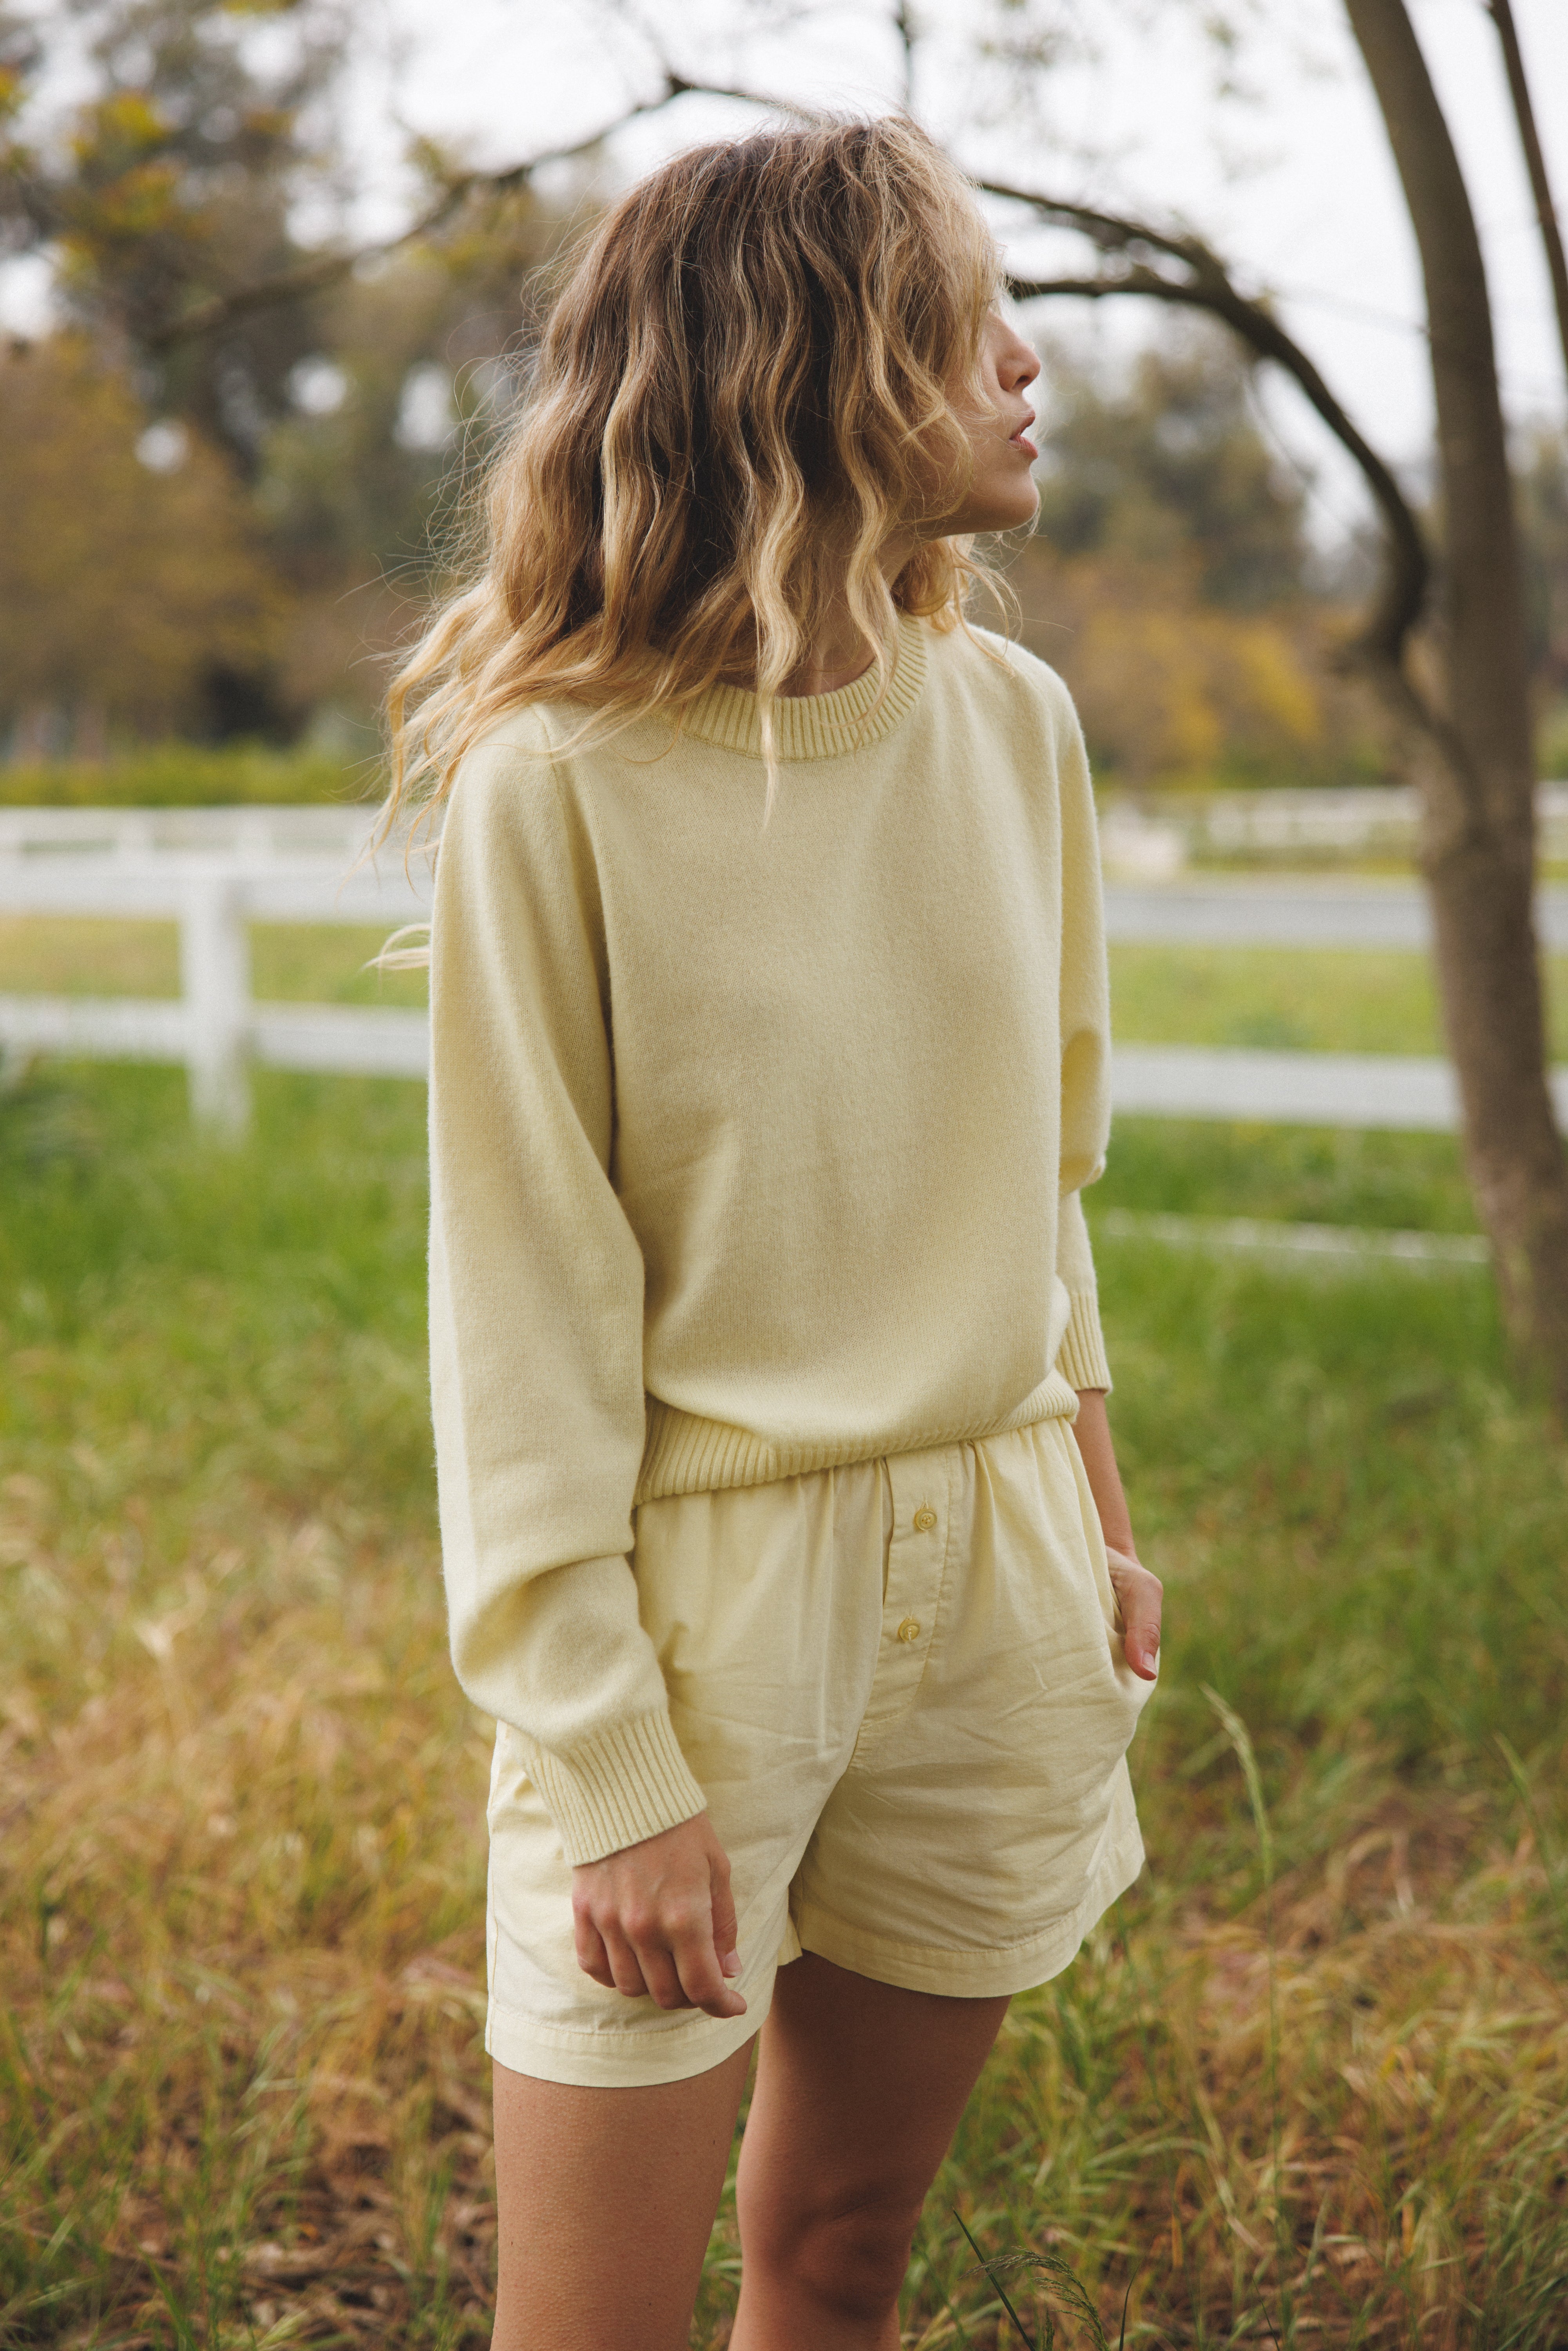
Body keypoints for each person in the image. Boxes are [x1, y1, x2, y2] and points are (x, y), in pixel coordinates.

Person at [386, 114, 1163, 2351]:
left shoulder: (1013, 727)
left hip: (1000, 1573)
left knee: (842, 2257)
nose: (1025, 363)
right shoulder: (557, 785)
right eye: (965, 318)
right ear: (816, 364)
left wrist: (1096, 1517)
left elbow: (1039, 1185)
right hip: (700, 1626)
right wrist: (617, 1768)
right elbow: (518, 1317)